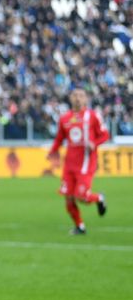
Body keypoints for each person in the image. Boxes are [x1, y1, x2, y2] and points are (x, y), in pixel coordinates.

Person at [46, 88, 109, 235]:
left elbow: (105, 135)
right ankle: (80, 226)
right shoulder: (64, 118)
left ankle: (99, 198)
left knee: (81, 197)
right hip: (69, 164)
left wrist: (95, 143)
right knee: (68, 198)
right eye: (75, 95)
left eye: (81, 96)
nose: (78, 98)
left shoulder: (93, 116)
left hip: (86, 164)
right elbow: (60, 138)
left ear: (86, 99)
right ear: (70, 98)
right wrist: (52, 152)